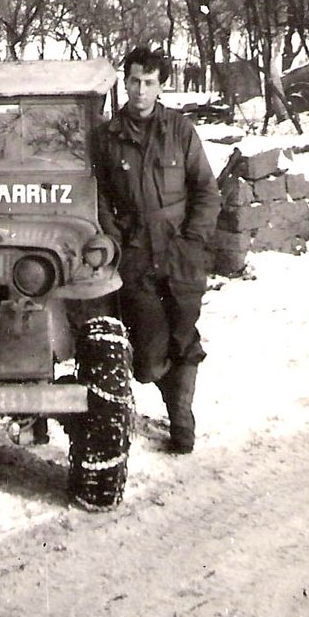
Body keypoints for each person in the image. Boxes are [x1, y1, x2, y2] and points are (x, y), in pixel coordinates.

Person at [93, 45, 221, 453]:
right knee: (148, 354)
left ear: (161, 85)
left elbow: (206, 190)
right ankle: (165, 392)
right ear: (124, 82)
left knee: (184, 336)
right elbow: (98, 198)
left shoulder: (180, 130)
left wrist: (194, 241)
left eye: (149, 82)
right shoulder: (108, 138)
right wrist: (116, 241)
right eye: (134, 81)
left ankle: (181, 419)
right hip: (136, 255)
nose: (141, 90)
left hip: (180, 253)